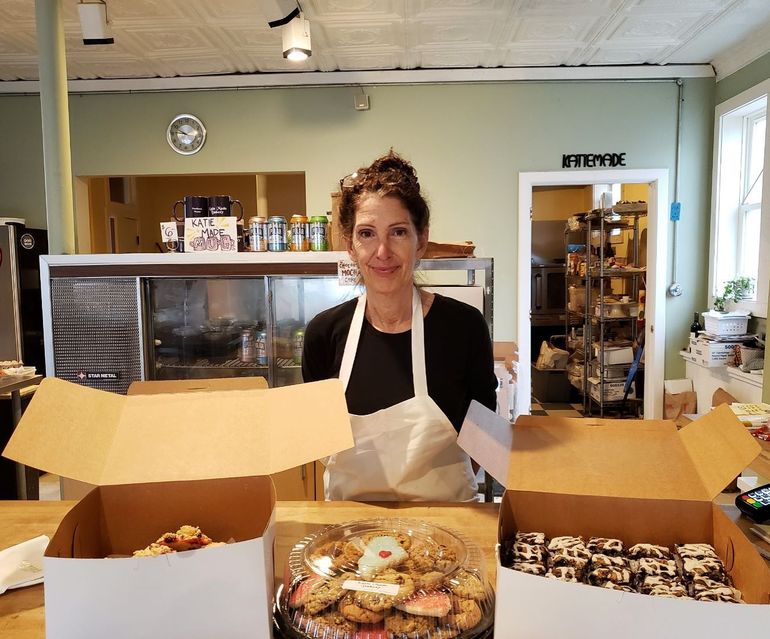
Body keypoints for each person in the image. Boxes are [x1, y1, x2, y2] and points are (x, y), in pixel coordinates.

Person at [302, 150, 497, 501]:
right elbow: (319, 442)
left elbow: (483, 441)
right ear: (350, 245)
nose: (382, 251)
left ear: (420, 240)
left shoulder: (464, 328)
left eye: (398, 232)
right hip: (351, 540)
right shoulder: (324, 333)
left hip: (445, 536)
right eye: (366, 234)